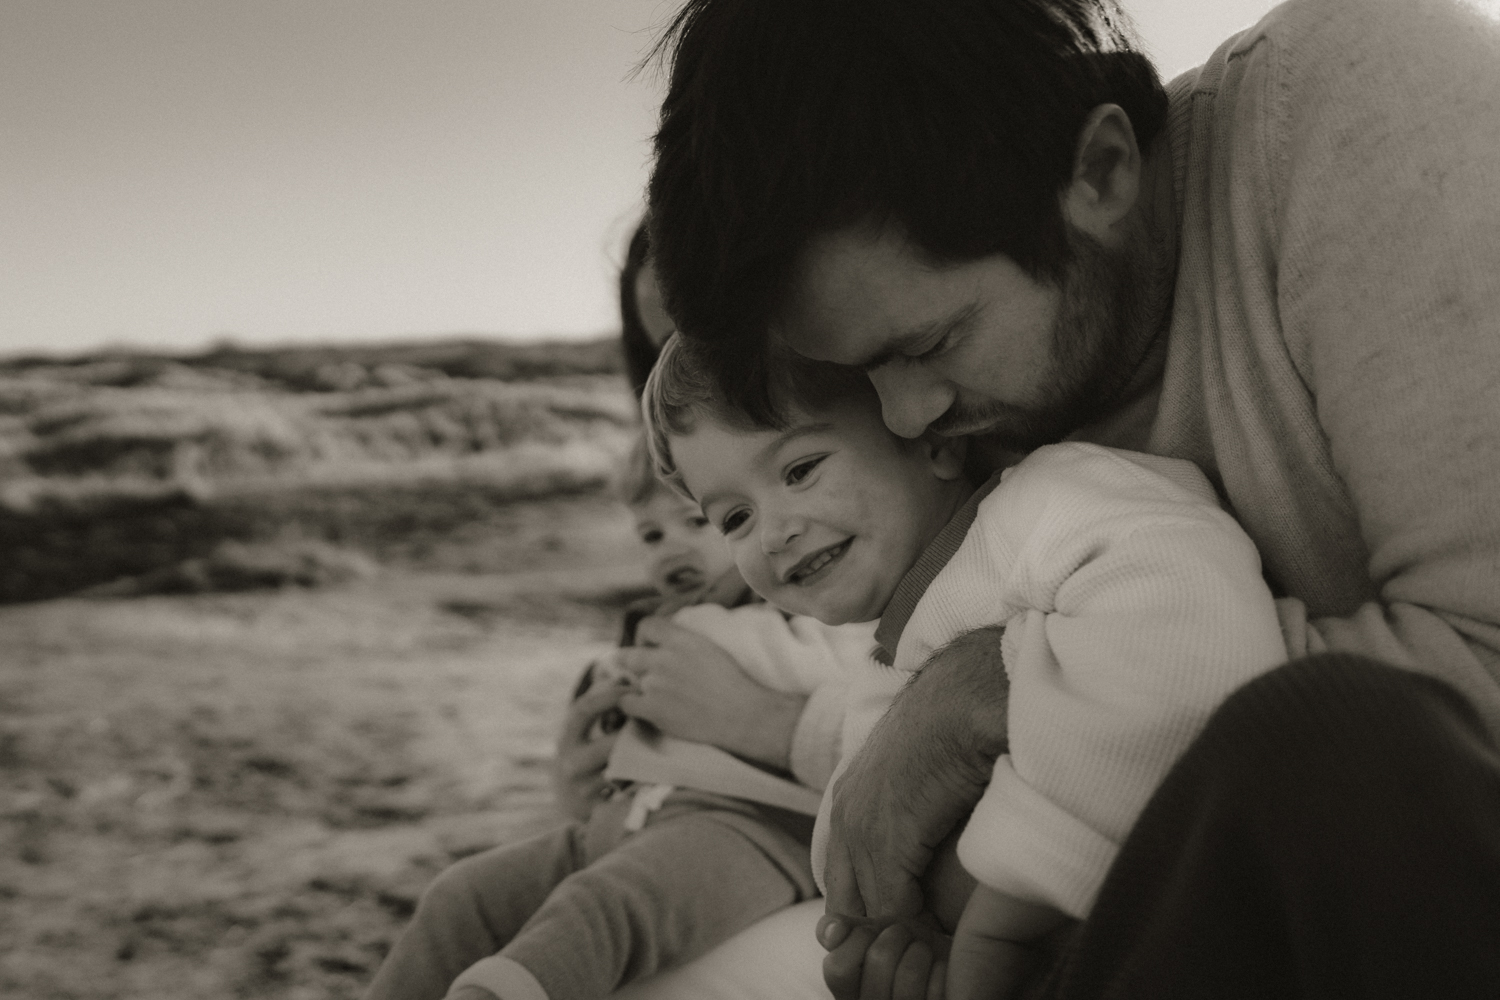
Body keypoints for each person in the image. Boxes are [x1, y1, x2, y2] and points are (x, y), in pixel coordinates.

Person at [642, 0, 1500, 996]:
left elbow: (1474, 684)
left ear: (1097, 172)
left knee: (1336, 733)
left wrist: (978, 701)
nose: (909, 418)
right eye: (859, 374)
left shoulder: (1366, 111)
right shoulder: (971, 379)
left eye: (928, 346)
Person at [642, 333, 1288, 997]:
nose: (774, 532)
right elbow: (869, 818)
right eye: (735, 518)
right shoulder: (893, 653)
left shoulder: (1044, 507)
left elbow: (1186, 620)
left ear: (935, 441)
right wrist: (887, 930)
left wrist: (1014, 905)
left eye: (800, 470)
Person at [364, 438, 875, 1000]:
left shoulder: (804, 611)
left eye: (695, 522)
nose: (671, 548)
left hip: (754, 835)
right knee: (463, 893)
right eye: (651, 534)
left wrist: (691, 638)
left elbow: (846, 682)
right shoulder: (656, 625)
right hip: (629, 822)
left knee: (603, 910)